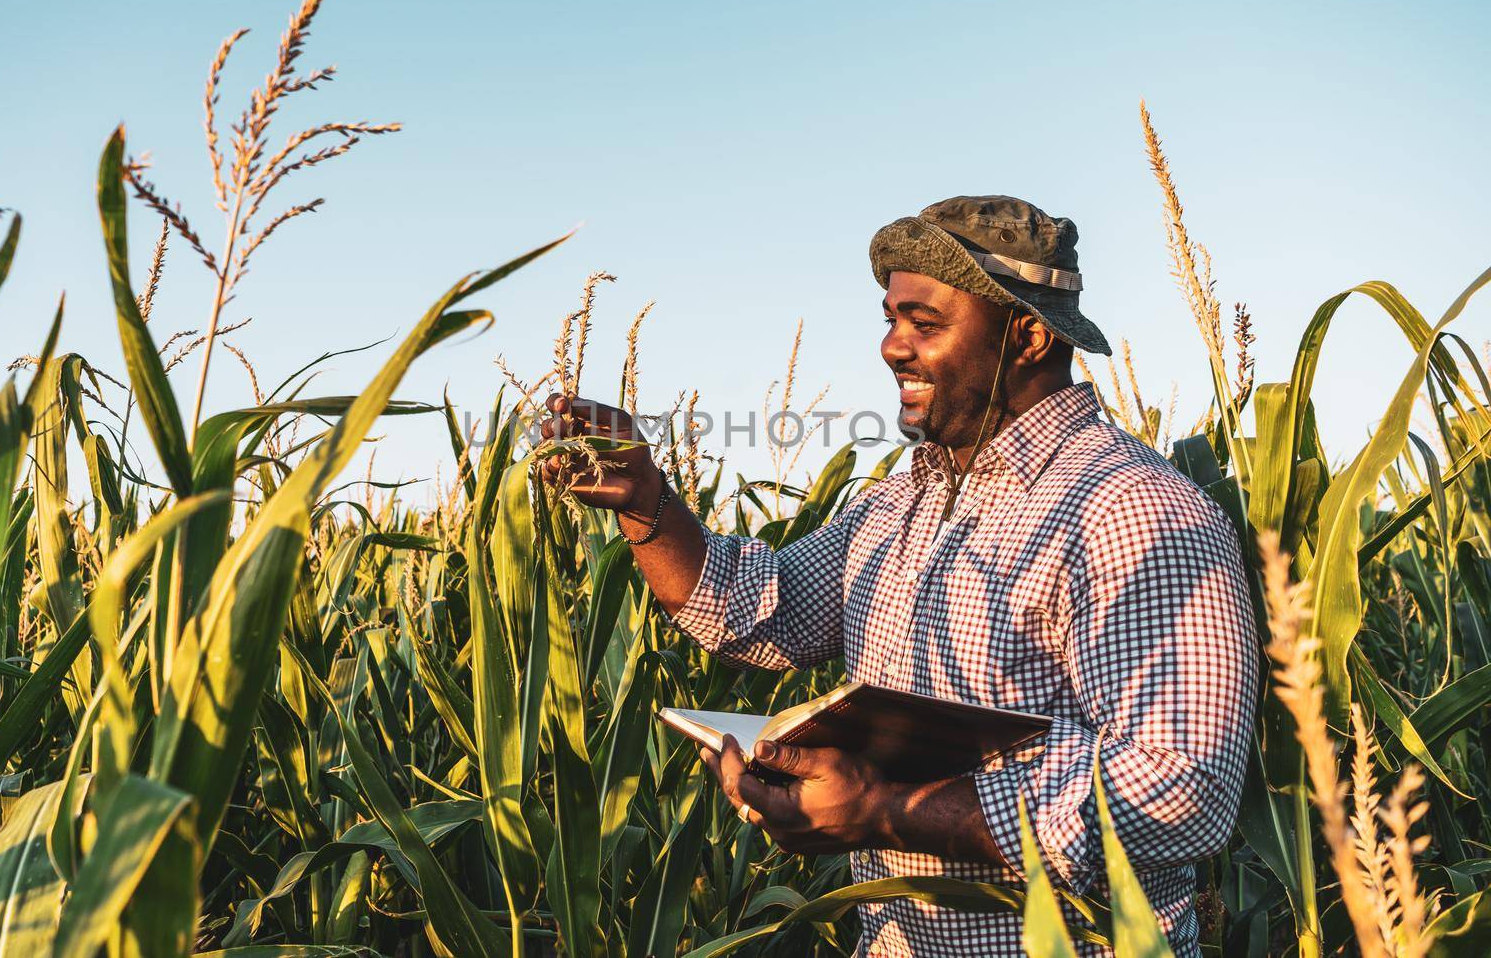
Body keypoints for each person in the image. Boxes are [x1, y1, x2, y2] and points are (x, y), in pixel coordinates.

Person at [538, 194, 1259, 957]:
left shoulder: (1133, 511)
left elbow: (1186, 789)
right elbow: (760, 610)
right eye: (890, 319)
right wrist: (648, 502)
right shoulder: (898, 502)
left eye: (925, 322)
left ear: (1029, 333)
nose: (891, 346)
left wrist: (889, 808)